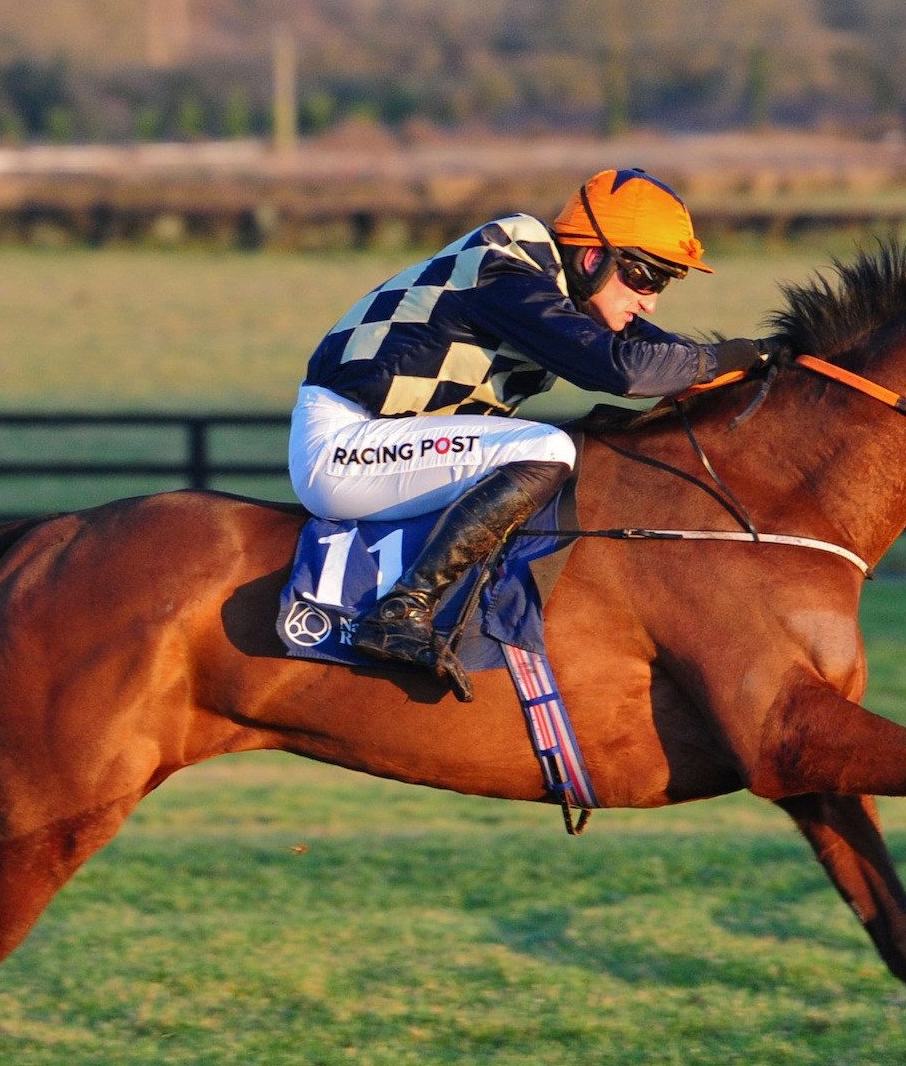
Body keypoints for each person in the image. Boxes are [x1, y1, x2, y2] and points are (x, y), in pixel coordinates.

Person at [290, 167, 771, 694]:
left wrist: (767, 362)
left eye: (661, 284)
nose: (649, 300)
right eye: (645, 277)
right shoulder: (507, 270)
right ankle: (401, 612)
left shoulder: (559, 287)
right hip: (344, 446)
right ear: (594, 257)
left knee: (572, 441)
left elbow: (667, 357)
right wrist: (734, 356)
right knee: (548, 446)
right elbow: (625, 371)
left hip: (387, 441)